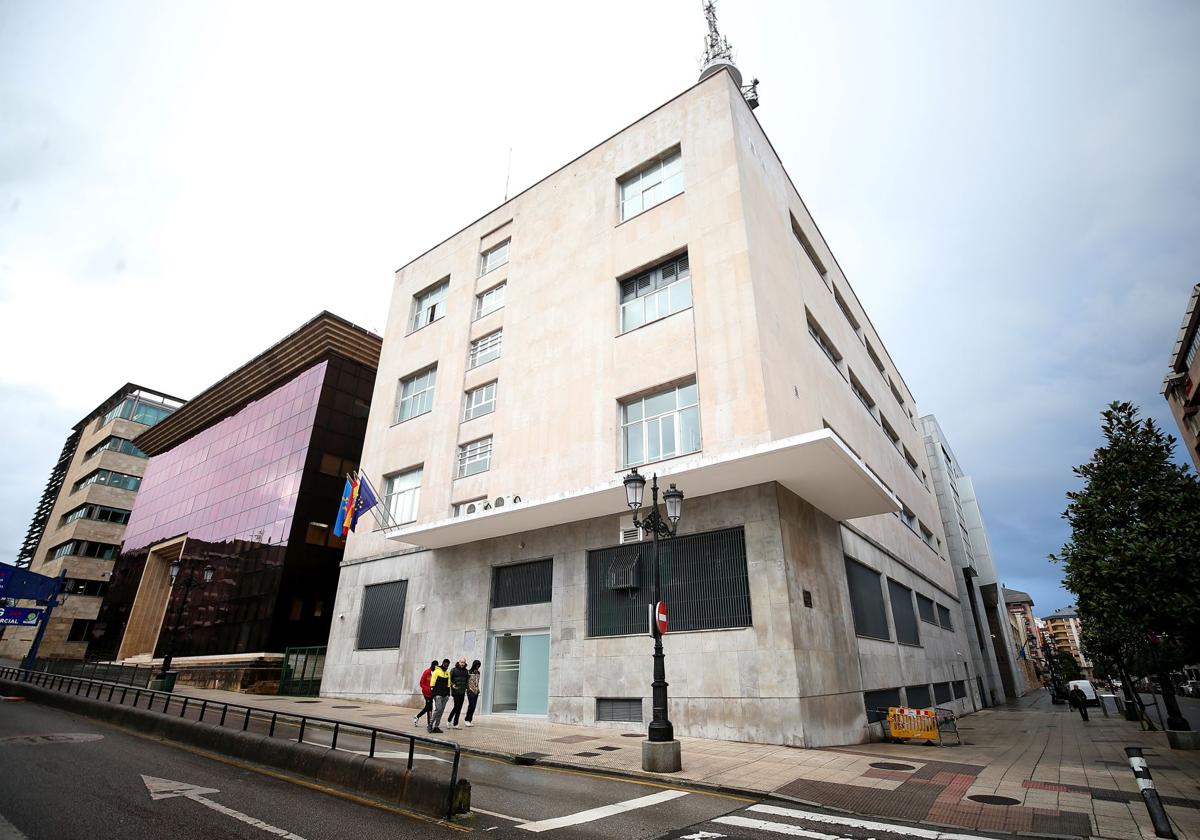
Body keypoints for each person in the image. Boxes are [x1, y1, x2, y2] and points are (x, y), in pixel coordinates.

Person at [428, 658, 451, 733]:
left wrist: (448, 695)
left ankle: (436, 726)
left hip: (445, 695)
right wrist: (433, 694)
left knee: (441, 711)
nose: (446, 666)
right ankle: (430, 724)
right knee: (438, 709)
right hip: (438, 694)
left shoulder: (448, 673)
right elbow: (432, 683)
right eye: (445, 664)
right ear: (443, 663)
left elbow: (448, 685)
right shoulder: (436, 671)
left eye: (447, 665)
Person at [447, 658, 470, 728]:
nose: (462, 664)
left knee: (459, 708)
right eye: (461, 662)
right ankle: (449, 720)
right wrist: (452, 684)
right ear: (459, 662)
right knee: (457, 706)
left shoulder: (466, 671)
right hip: (455, 691)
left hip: (462, 692)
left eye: (463, 662)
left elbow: (467, 681)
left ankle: (455, 724)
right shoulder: (453, 670)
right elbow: (449, 679)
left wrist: (466, 688)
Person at [413, 660, 436, 728]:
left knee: (429, 707)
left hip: (432, 694)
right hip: (426, 693)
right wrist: (428, 689)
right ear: (432, 665)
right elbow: (421, 683)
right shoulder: (427, 672)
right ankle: (424, 721)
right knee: (429, 707)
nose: (435, 667)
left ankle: (418, 717)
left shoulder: (435, 673)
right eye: (434, 666)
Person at [464, 660, 482, 727]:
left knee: (473, 706)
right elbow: (466, 681)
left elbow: (477, 682)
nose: (478, 666)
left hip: (476, 691)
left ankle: (469, 720)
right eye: (477, 665)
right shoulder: (469, 672)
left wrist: (478, 689)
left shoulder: (478, 672)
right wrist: (468, 689)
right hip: (470, 691)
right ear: (474, 665)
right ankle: (467, 719)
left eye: (479, 665)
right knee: (471, 705)